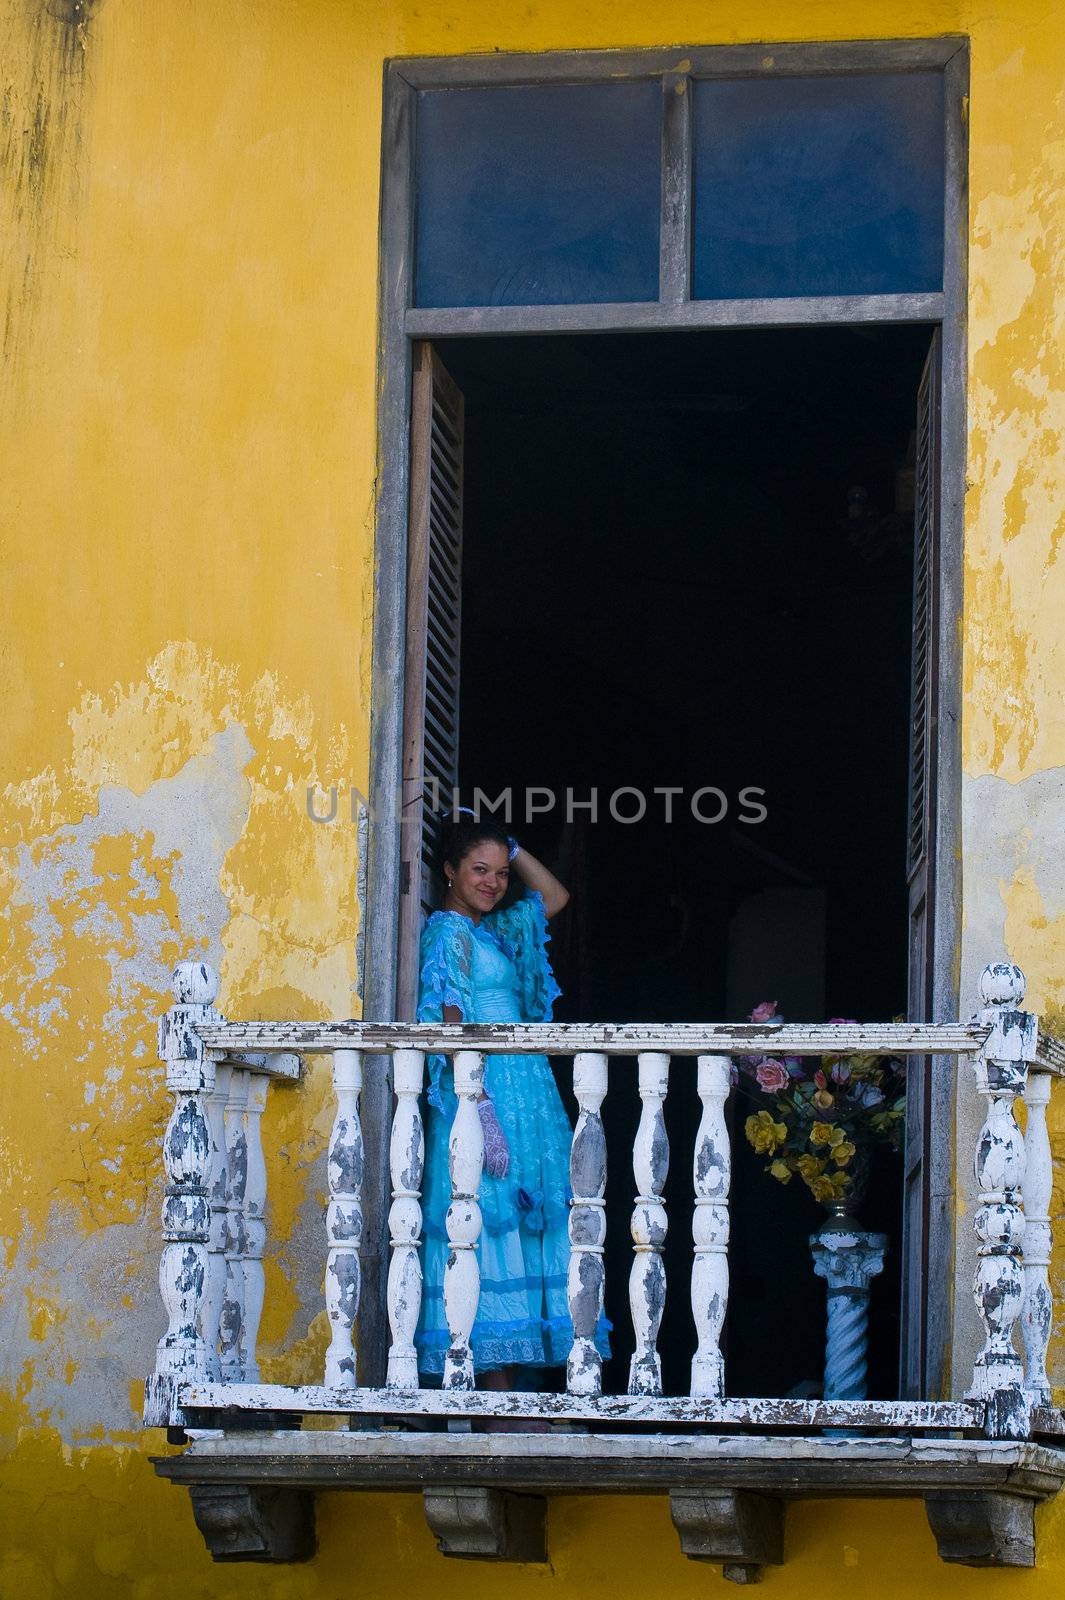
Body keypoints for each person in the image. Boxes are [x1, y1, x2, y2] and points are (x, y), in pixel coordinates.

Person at [414, 814, 610, 1394]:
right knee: (488, 1223)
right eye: (479, 869)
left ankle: (513, 1393)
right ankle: (494, 1401)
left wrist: (510, 846)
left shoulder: (495, 931)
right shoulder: (449, 931)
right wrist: (478, 1108)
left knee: (525, 1227)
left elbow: (554, 895)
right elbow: (449, 1019)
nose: (494, 883)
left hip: (529, 1095)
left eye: (500, 873)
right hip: (490, 1092)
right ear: (448, 870)